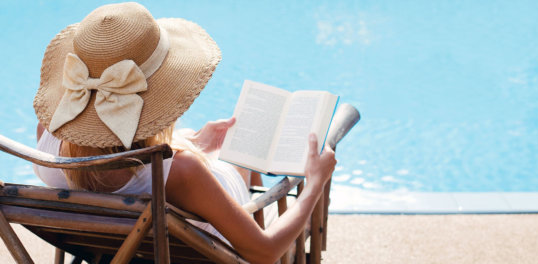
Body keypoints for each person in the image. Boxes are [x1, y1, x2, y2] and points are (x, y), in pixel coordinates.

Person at [31, 3, 336, 263]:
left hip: (128, 246)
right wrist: (314, 184)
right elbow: (264, 252)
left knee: (232, 152)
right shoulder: (182, 173)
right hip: (212, 245)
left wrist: (190, 143)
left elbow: (117, 155)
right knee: (245, 157)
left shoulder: (48, 137)